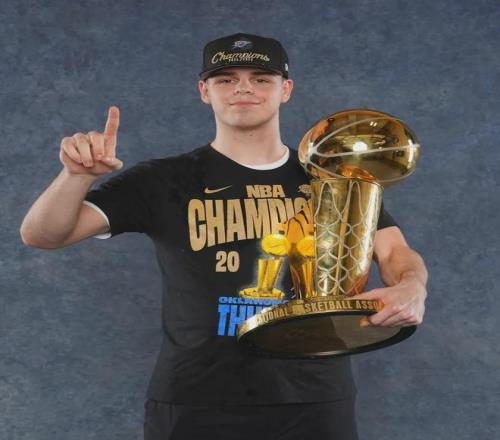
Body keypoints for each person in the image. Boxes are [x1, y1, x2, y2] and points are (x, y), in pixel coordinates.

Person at [20, 33, 428, 440]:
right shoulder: (162, 179)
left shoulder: (333, 178)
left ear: (286, 89)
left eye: (261, 78)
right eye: (226, 79)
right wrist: (76, 176)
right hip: (195, 398)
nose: (243, 88)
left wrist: (411, 286)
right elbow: (43, 235)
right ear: (205, 91)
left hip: (315, 396)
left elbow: (395, 251)